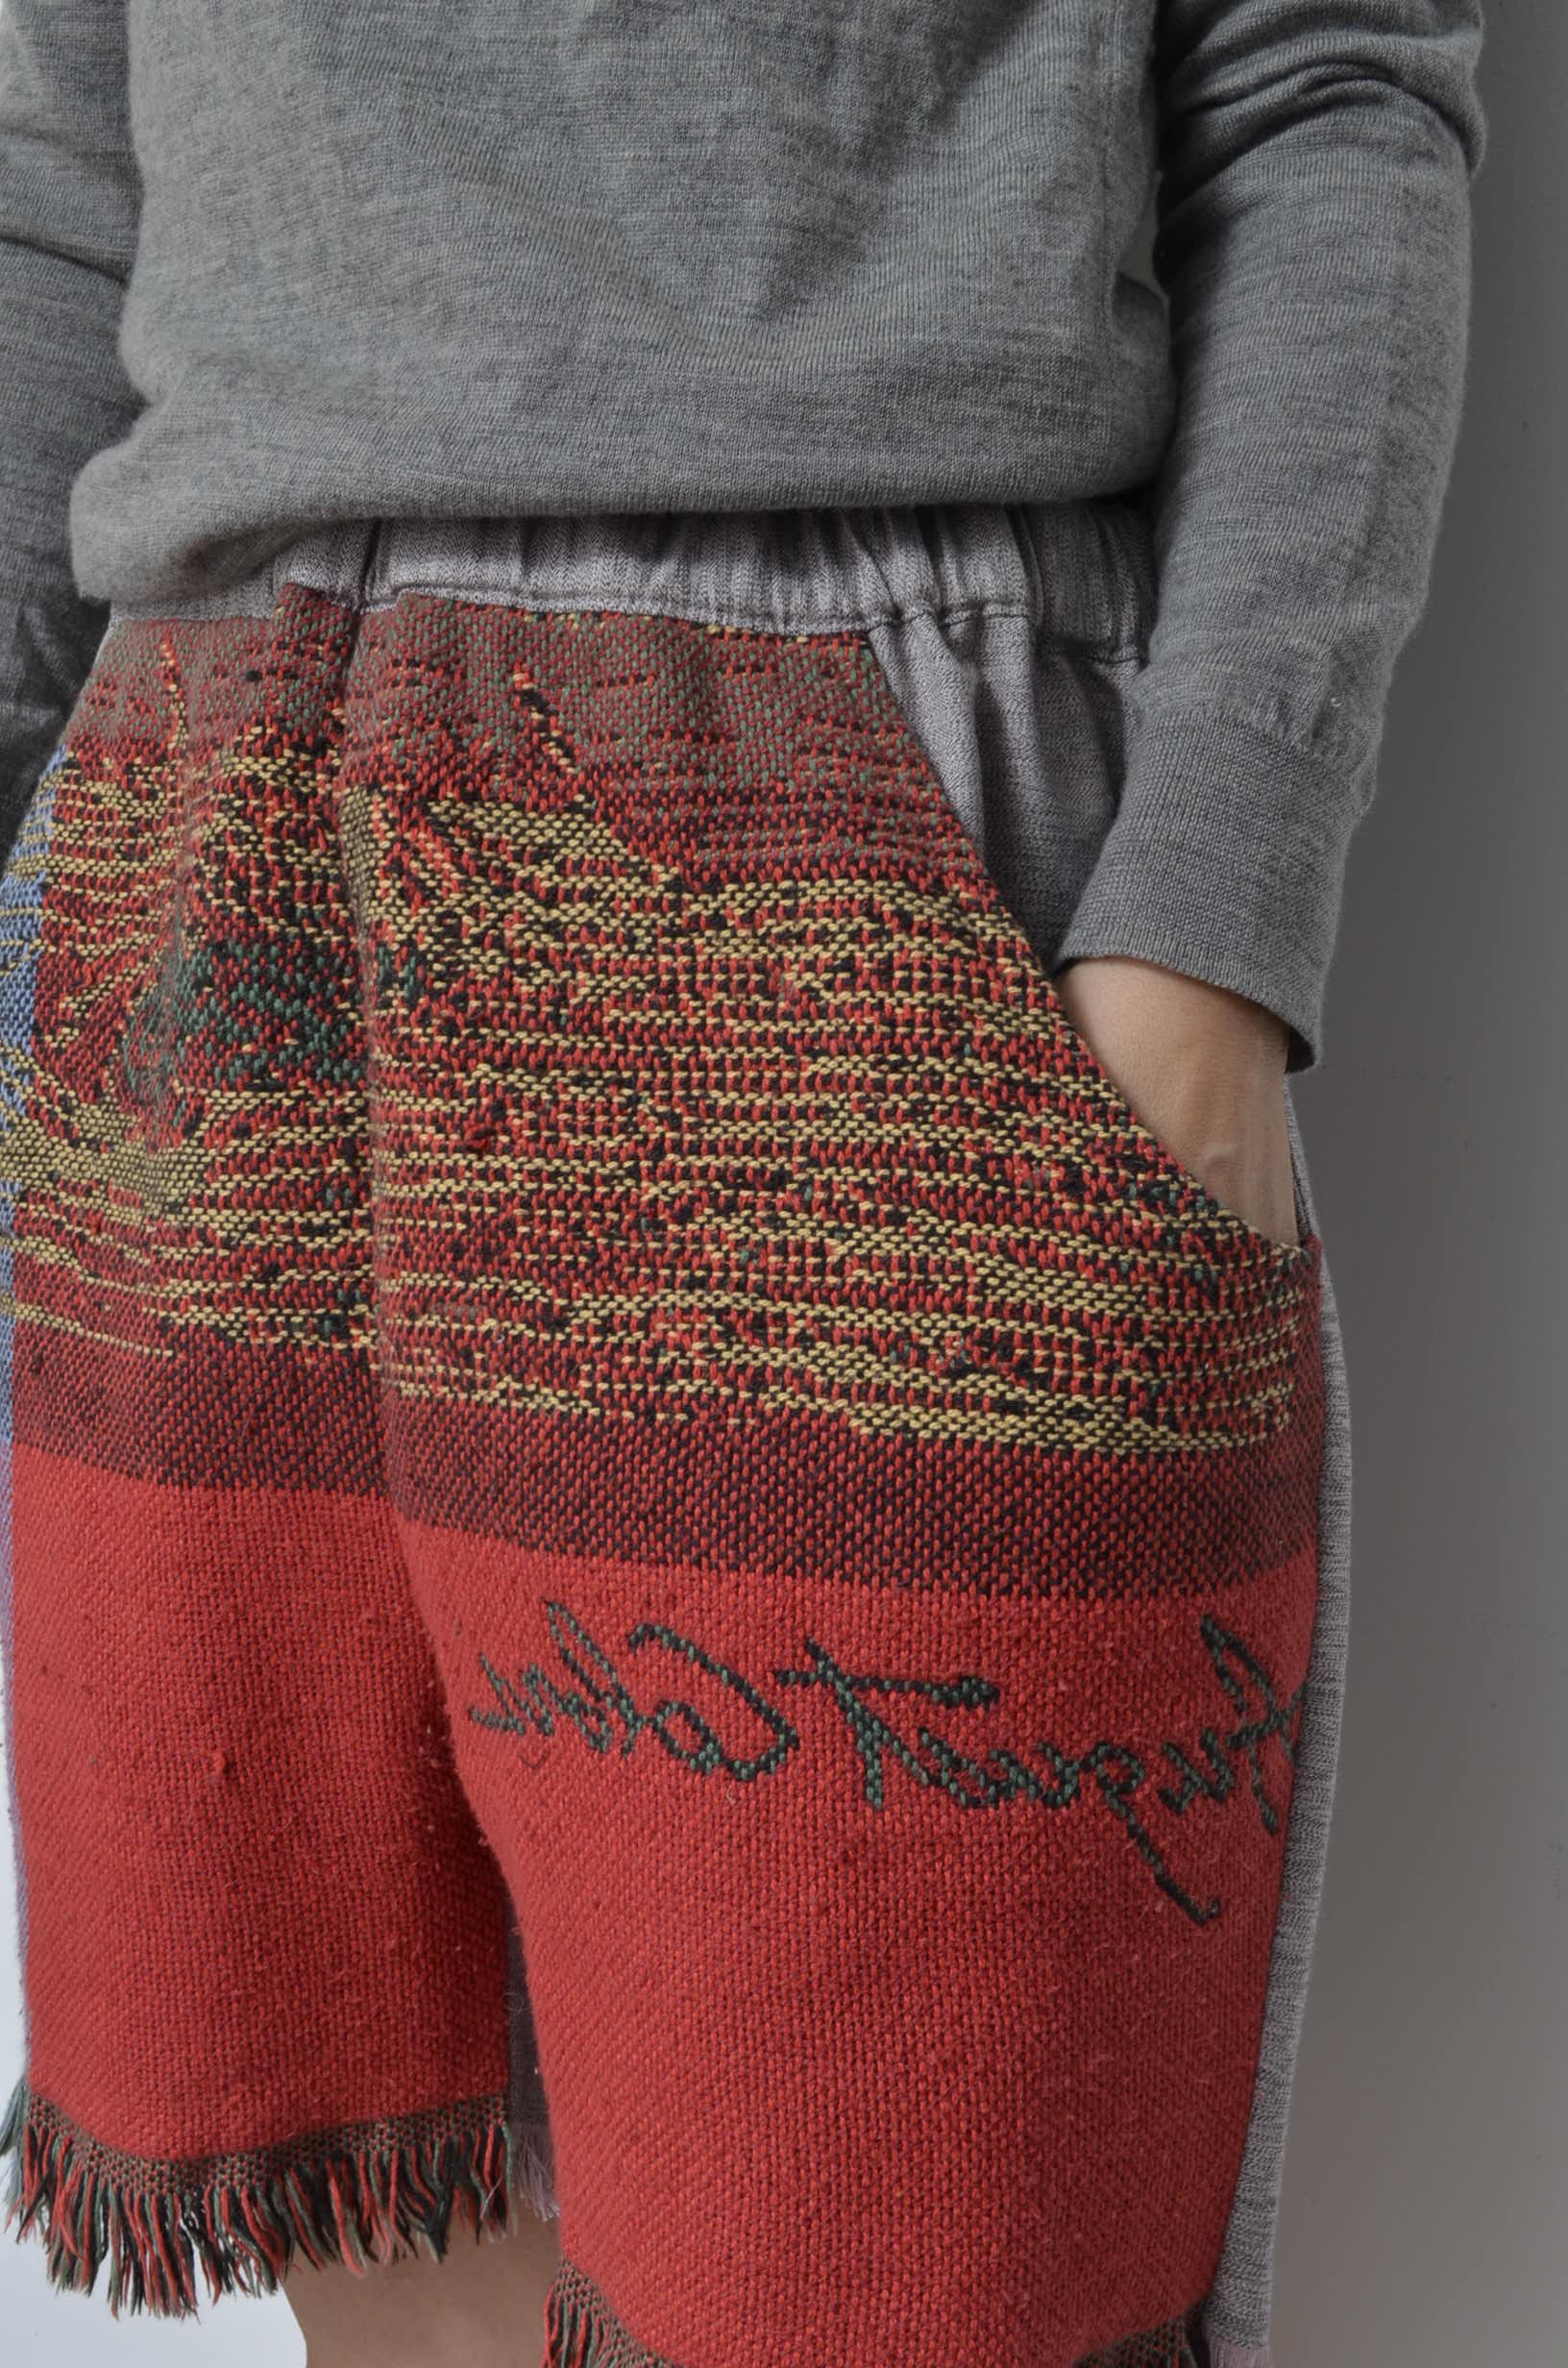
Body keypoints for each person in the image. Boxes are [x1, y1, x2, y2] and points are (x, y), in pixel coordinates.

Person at [0, 6, 1485, 2366]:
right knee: (375, 2212)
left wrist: (1209, 921)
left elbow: (1317, 79)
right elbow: (58, 175)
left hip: (854, 794)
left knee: (890, 2253)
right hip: (220, 836)